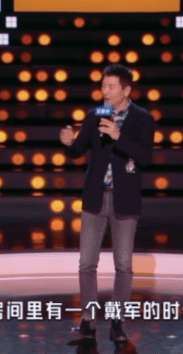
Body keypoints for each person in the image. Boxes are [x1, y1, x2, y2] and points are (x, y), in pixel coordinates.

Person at [59, 64, 154, 342]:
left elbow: (145, 158)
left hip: (125, 199)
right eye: (103, 86)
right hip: (94, 197)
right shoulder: (94, 115)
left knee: (123, 265)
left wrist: (118, 136)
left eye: (111, 87)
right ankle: (87, 322)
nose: (105, 91)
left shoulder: (143, 119)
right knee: (87, 263)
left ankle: (117, 321)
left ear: (126, 90)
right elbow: (79, 150)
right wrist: (69, 142)